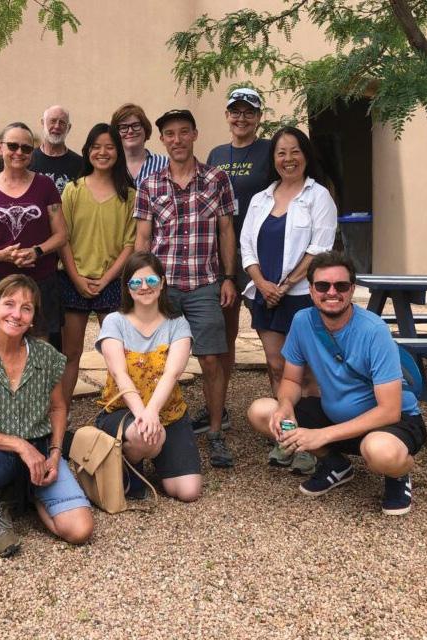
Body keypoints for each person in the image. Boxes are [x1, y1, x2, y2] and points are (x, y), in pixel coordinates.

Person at [248, 251, 427, 516]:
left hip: (389, 422)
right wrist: (285, 406)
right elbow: (291, 379)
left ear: (352, 289)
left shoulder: (374, 330)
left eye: (340, 286)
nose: (332, 292)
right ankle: (336, 465)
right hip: (335, 415)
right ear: (311, 290)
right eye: (323, 286)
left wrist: (322, 435)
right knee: (262, 411)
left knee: (381, 452)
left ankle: (398, 474)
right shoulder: (302, 321)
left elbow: (389, 410)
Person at [0, 274, 93, 557]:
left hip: (42, 450)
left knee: (80, 530)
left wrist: (55, 453)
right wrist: (19, 445)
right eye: (9, 304)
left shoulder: (46, 356)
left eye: (26, 308)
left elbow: (58, 408)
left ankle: (32, 495)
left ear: (33, 318)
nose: (16, 314)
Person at [134, 109, 237, 468]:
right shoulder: (150, 184)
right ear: (162, 140)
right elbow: (143, 237)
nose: (176, 140)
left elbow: (226, 230)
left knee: (211, 359)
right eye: (169, 134)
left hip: (203, 284)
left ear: (194, 134)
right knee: (156, 360)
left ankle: (215, 431)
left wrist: (228, 277)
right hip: (162, 288)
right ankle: (156, 424)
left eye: (183, 132)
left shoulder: (217, 179)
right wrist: (139, 282)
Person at [191, 88, 271, 434]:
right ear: (227, 116)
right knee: (224, 335)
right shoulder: (216, 154)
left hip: (259, 254)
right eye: (235, 112)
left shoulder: (269, 151)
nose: (241, 118)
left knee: (270, 334)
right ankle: (217, 408)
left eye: (248, 112)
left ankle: (285, 410)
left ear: (259, 117)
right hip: (221, 253)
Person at [95, 251, 201, 501]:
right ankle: (129, 464)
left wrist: (152, 412)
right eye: (136, 282)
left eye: (151, 280)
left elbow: (172, 373)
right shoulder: (114, 321)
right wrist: (144, 415)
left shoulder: (177, 323)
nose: (144, 287)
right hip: (123, 411)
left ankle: (151, 453)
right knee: (146, 436)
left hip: (168, 413)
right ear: (127, 288)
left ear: (162, 283)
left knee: (188, 491)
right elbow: (119, 373)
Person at [240, 126, 337, 395]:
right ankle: (284, 419)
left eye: (295, 152)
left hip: (301, 296)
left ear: (306, 155)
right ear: (273, 158)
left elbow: (320, 250)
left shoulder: (318, 196)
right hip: (265, 295)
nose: (288, 159)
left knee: (305, 369)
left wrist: (284, 287)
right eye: (281, 153)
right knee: (276, 365)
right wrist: (262, 285)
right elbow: (246, 246)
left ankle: (311, 419)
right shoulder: (260, 199)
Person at [59, 123, 136, 409]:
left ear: (118, 152)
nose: (103, 152)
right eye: (96, 147)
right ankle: (62, 414)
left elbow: (130, 244)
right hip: (72, 279)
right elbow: (63, 238)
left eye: (109, 147)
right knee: (70, 353)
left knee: (118, 354)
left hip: (113, 281)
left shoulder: (129, 195)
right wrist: (76, 278)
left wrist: (105, 280)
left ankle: (119, 410)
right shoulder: (73, 190)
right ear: (87, 151)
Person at [0, 122, 67, 341]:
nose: (19, 152)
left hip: (41, 281)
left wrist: (37, 251)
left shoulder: (45, 185)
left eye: (26, 148)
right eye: (13, 146)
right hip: (1, 282)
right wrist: (0, 255)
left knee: (40, 346)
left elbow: (61, 234)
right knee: (0, 345)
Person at [110, 103, 168, 187]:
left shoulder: (166, 164)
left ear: (145, 129)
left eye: (136, 125)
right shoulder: (110, 167)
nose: (130, 131)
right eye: (123, 127)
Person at [29, 105, 83, 195]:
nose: (57, 126)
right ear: (43, 123)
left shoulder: (80, 165)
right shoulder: (28, 159)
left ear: (68, 128)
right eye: (53, 121)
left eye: (62, 122)